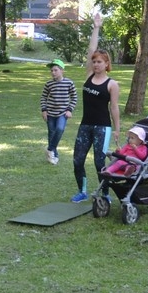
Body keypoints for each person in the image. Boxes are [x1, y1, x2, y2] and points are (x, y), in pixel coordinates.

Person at [71, 12, 119, 201]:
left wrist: (117, 130)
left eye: (99, 62)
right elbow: (91, 49)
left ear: (107, 64)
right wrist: (96, 27)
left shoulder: (112, 84)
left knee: (99, 162)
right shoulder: (89, 76)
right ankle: (82, 191)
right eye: (94, 61)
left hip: (102, 127)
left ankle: (105, 194)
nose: (96, 64)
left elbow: (114, 108)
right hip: (85, 126)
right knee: (77, 161)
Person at [40, 59, 77, 165]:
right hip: (50, 113)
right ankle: (54, 156)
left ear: (62, 71)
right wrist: (44, 110)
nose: (53, 72)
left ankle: (50, 149)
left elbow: (74, 97)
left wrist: (70, 110)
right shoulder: (49, 84)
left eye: (55, 70)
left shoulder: (69, 83)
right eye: (51, 71)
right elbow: (43, 97)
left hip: (62, 113)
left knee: (59, 129)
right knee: (51, 134)